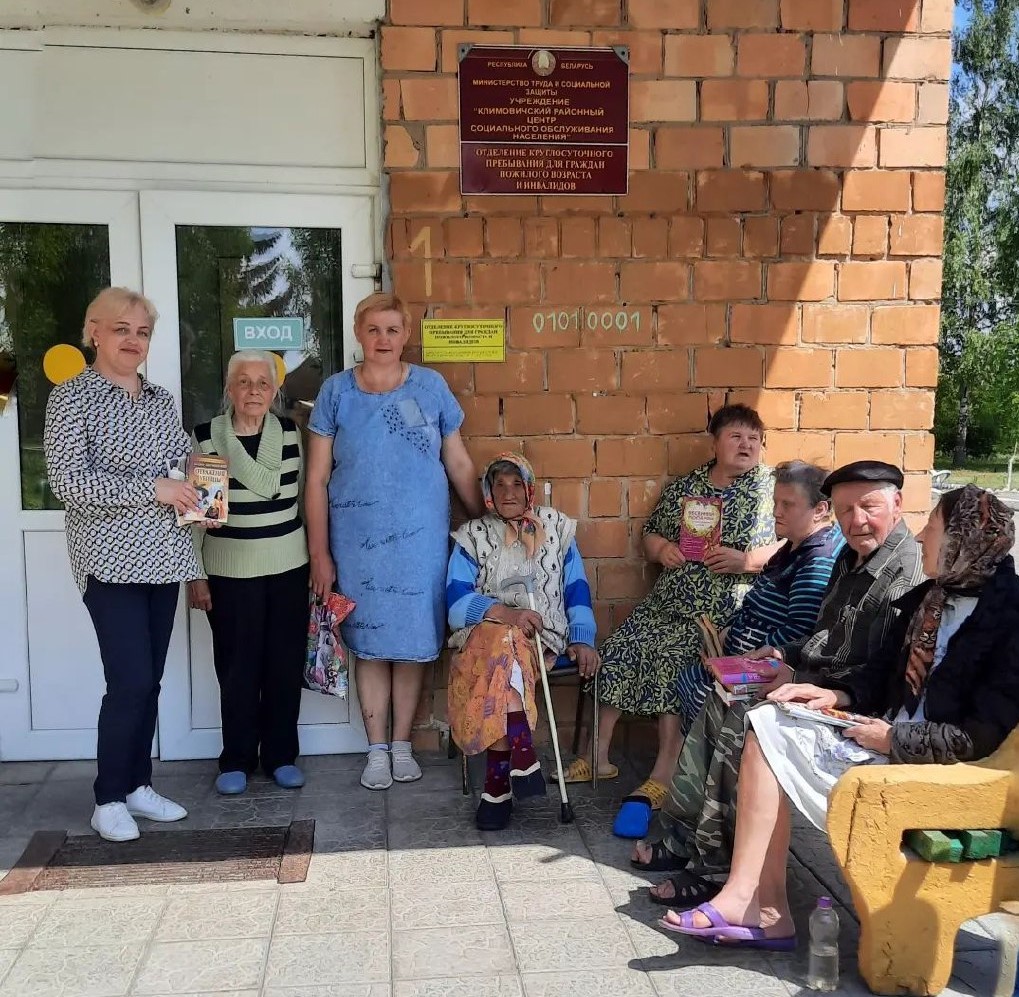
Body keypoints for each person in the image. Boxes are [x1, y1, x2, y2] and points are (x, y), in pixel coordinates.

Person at [658, 485, 1019, 949]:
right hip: (886, 735)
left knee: (763, 724)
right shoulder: (931, 598)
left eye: (932, 528)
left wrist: (895, 739)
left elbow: (979, 736)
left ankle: (753, 902)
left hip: (940, 770)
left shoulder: (1007, 620)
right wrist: (835, 694)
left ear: (963, 539)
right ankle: (759, 904)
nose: (922, 537)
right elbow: (879, 674)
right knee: (767, 721)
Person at [636, 460, 926, 906]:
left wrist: (802, 678)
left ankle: (716, 868)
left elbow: (874, 670)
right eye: (846, 510)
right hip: (824, 686)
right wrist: (783, 657)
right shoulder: (851, 556)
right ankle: (684, 840)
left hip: (864, 712)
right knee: (722, 696)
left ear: (898, 504)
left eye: (868, 507)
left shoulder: (904, 574)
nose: (856, 521)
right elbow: (825, 638)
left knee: (745, 717)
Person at [572, 404, 779, 840]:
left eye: (754, 439)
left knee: (674, 660)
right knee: (620, 649)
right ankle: (597, 757)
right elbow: (650, 535)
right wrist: (662, 549)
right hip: (667, 603)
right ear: (715, 443)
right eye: (736, 436)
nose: (746, 445)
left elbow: (789, 544)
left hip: (719, 614)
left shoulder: (771, 488)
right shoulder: (687, 487)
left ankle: (663, 775)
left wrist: (747, 560)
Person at [306, 292, 483, 791]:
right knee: (369, 644)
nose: (382, 339)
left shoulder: (430, 386)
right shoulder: (336, 392)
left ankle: (402, 745)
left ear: (405, 335)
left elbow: (458, 462)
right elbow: (316, 478)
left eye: (392, 330)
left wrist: (485, 520)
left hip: (419, 541)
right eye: (373, 329)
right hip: (355, 542)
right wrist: (319, 553)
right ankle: (376, 750)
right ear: (358, 333)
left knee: (410, 644)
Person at [44, 287, 202, 842]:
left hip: (164, 559)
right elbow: (68, 482)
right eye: (121, 329)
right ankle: (107, 797)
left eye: (142, 332)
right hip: (109, 564)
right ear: (94, 332)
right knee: (129, 681)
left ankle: (137, 785)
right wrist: (154, 488)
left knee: (149, 681)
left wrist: (202, 495)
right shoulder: (71, 398)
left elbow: (181, 463)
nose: (133, 341)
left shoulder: (159, 399)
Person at [446, 452, 599, 830]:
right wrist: (505, 613)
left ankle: (497, 784)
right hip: (485, 637)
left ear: (530, 488)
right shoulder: (473, 536)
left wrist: (583, 638)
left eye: (517, 483)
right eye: (499, 484)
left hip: (543, 638)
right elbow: (456, 604)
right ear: (488, 492)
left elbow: (576, 588)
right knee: (505, 641)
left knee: (508, 649)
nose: (508, 492)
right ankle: (521, 752)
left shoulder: (556, 528)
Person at [186, 350, 309, 795]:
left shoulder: (291, 434)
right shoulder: (207, 437)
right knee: (237, 669)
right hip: (229, 571)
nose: (253, 390)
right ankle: (236, 759)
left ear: (274, 391)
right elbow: (200, 516)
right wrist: (195, 574)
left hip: (288, 567)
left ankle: (280, 757)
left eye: (262, 383)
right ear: (229, 388)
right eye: (243, 381)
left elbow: (302, 502)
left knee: (283, 665)